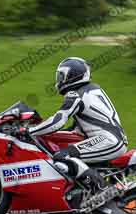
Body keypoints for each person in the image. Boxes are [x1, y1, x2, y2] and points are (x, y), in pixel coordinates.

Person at [24, 57, 128, 193]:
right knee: (67, 150)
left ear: (72, 76)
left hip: (108, 141)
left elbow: (58, 121)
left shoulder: (75, 95)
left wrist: (30, 131)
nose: (60, 80)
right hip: (112, 139)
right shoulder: (91, 90)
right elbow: (76, 129)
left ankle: (103, 190)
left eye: (62, 76)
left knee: (63, 156)